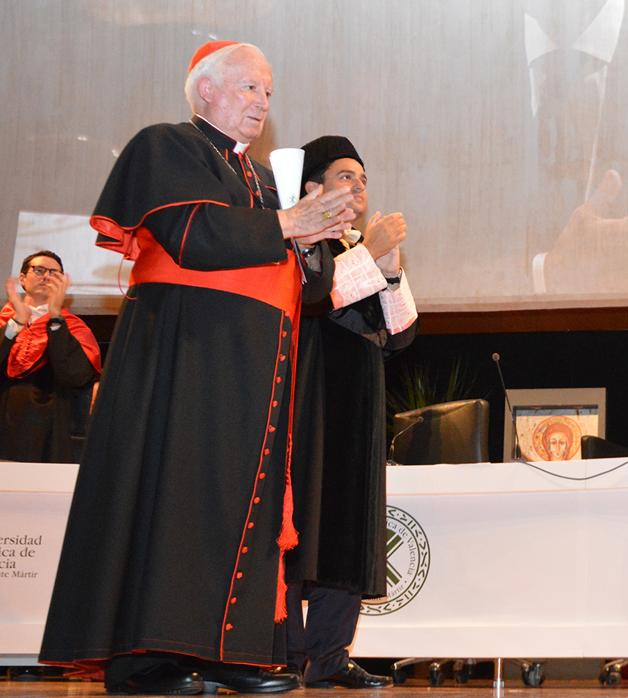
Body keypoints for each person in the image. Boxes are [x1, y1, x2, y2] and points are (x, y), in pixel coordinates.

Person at [38, 41, 356, 695]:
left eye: (268, 92)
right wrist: (287, 226)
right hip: (183, 360)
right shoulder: (166, 146)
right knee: (176, 499)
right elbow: (192, 237)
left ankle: (229, 650)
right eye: (249, 88)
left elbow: (311, 290)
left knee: (240, 506)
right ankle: (147, 657)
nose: (262, 103)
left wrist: (317, 242)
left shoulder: (265, 179)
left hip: (252, 369)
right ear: (206, 89)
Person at [284, 135, 418, 690]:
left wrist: (386, 267)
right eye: (345, 177)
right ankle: (285, 653)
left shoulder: (362, 242)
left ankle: (330, 657)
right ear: (312, 187)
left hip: (359, 395)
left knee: (347, 522)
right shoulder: (298, 236)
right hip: (309, 392)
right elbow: (312, 299)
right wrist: (369, 254)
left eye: (362, 180)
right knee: (302, 520)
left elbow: (403, 334)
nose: (358, 188)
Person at [1, 251, 100, 462]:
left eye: (54, 273)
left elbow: (76, 376)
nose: (46, 276)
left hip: (46, 429)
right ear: (22, 279)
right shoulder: (5, 321)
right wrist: (17, 322)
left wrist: (55, 317)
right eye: (39, 270)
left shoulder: (72, 326)